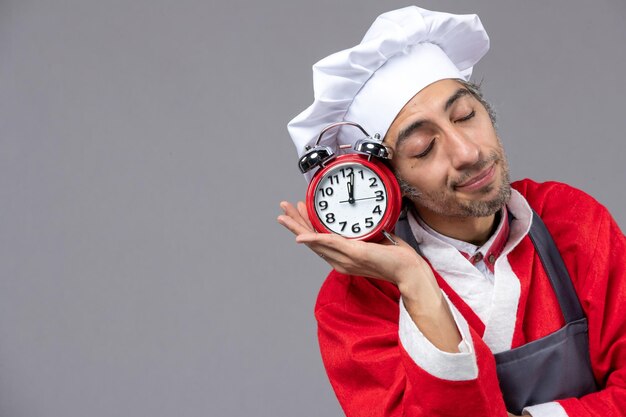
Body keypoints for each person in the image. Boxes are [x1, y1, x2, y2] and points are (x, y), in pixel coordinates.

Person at [277, 6, 626, 417]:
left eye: (466, 116)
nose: (469, 152)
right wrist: (416, 282)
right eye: (424, 147)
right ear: (388, 178)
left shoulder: (571, 220)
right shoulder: (354, 305)